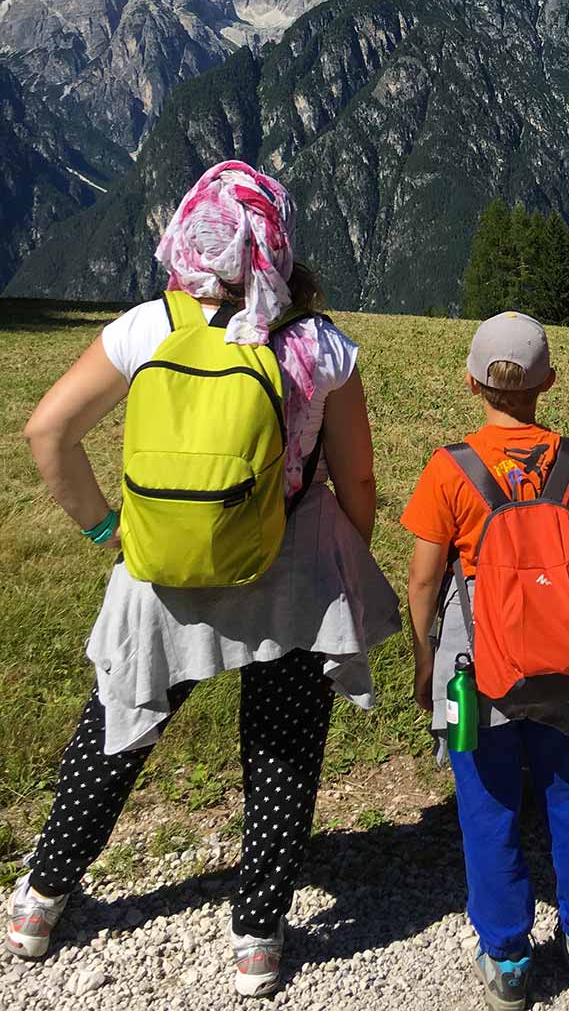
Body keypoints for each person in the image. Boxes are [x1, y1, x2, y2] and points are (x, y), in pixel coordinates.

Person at [7, 161, 401, 998]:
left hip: (162, 575)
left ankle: (41, 900)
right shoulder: (319, 345)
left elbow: (48, 433)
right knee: (284, 746)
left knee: (118, 727)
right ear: (279, 243)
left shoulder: (149, 327)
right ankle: (258, 939)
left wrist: (111, 530)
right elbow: (357, 481)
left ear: (190, 234)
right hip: (290, 569)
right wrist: (342, 553)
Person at [403, 311, 569, 1011]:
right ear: (547, 383)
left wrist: (423, 660)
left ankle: (510, 961)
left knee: (486, 809)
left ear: (471, 382)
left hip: (470, 675)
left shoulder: (448, 468)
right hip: (567, 663)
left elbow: (423, 583)